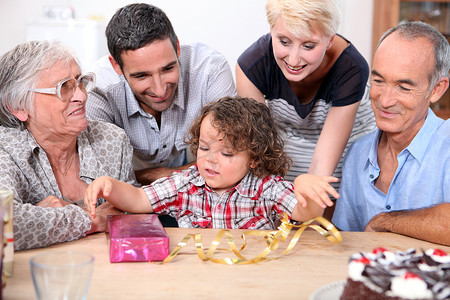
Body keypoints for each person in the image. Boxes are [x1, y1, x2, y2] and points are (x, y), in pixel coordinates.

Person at [84, 97, 325, 229]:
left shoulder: (266, 188)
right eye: (204, 147)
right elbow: (137, 200)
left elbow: (305, 214)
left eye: (227, 154)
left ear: (253, 158)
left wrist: (306, 188)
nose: (210, 159)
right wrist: (110, 186)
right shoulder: (186, 184)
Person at [236, 0, 376, 218]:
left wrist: (307, 210)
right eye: (284, 41)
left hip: (344, 147)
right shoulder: (252, 65)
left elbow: (321, 173)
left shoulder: (352, 69)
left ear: (330, 40)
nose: (293, 59)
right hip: (286, 145)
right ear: (271, 30)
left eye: (308, 46)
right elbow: (262, 154)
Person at [0, 41, 137, 251]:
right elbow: (5, 223)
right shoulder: (5, 149)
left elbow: (137, 213)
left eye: (80, 82)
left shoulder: (112, 140)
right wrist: (92, 220)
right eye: (63, 87)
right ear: (19, 107)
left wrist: (45, 217)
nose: (82, 96)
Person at [86, 3, 236, 186]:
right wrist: (141, 179)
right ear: (116, 65)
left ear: (177, 47)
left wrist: (165, 174)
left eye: (168, 68)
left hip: (184, 174)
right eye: (142, 76)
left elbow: (229, 155)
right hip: (127, 180)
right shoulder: (98, 90)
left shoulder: (209, 70)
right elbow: (104, 178)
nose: (159, 90)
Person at [331, 21, 450, 246]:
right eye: (378, 81)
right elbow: (346, 240)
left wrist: (385, 222)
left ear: (437, 89)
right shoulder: (358, 152)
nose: (385, 100)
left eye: (403, 87)